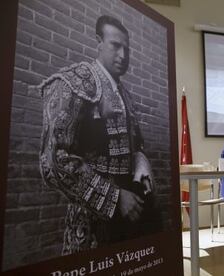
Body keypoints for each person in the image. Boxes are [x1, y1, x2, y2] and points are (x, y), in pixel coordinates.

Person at [38, 15, 161, 255]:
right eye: (116, 45)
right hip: (91, 217)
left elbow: (136, 144)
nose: (123, 55)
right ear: (99, 42)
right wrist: (113, 197)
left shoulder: (125, 94)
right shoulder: (73, 82)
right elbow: (53, 160)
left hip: (132, 211)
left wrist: (140, 160)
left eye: (127, 48)